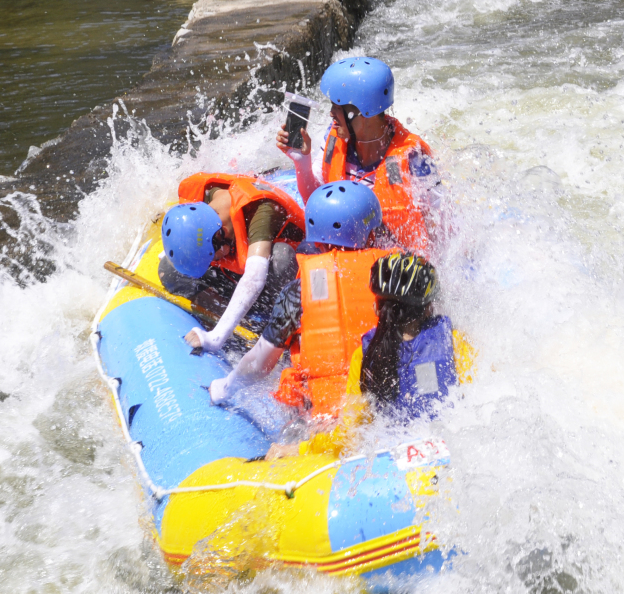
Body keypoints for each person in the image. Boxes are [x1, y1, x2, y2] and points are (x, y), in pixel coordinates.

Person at [263, 251, 476, 461]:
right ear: (429, 308)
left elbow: (350, 437)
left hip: (389, 464)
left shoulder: (365, 357)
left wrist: (301, 449)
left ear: (376, 307)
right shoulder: (455, 342)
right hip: (448, 456)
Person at [207, 180, 390, 420]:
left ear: (315, 241)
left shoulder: (299, 292)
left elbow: (259, 365)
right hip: (393, 407)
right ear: (373, 234)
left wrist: (224, 388)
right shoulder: (401, 278)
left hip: (328, 421)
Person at [275, 57, 443, 254]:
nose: (331, 113)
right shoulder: (335, 138)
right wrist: (302, 163)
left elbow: (440, 227)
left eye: (338, 107)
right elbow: (317, 207)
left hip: (392, 263)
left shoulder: (413, 158)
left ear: (365, 111)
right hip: (344, 253)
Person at [159, 173, 305, 353]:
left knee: (281, 258)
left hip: (280, 281)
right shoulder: (204, 202)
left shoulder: (262, 210)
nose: (214, 262)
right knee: (169, 270)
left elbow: (255, 278)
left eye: (213, 257)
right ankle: (231, 318)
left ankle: (280, 331)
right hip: (240, 274)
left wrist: (216, 337)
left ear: (222, 234)